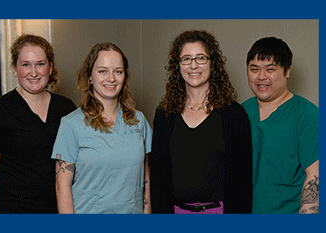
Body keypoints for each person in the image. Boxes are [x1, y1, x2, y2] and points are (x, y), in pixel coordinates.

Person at [150, 30, 252, 214]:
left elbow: (242, 180)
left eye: (201, 58)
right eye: (186, 59)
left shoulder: (234, 115)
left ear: (212, 63)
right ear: (178, 66)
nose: (193, 65)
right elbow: (157, 178)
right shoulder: (164, 114)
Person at [51, 42, 152, 214]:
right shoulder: (72, 124)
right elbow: (62, 186)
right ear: (90, 76)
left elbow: (146, 178)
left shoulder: (138, 121)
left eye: (118, 71)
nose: (111, 78)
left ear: (124, 76)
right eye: (102, 71)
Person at [0, 34, 77, 213]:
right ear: (14, 69)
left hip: (59, 211)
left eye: (40, 64)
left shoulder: (67, 108)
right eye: (26, 65)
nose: (33, 73)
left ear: (50, 68)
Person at [242, 37, 319, 214]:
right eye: (254, 69)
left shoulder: (306, 115)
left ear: (287, 71)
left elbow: (316, 176)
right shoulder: (240, 112)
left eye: (270, 69)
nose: (261, 77)